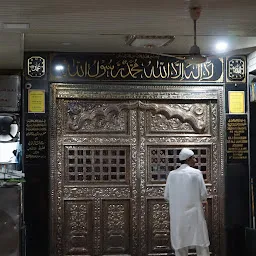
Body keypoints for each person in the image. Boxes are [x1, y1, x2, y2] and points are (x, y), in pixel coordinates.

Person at [164, 148, 210, 256]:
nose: (195, 160)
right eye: (193, 158)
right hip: (195, 214)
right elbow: (203, 194)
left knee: (180, 244)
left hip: (178, 216)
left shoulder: (172, 174)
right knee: (201, 242)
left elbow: (166, 196)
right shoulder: (196, 173)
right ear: (188, 159)